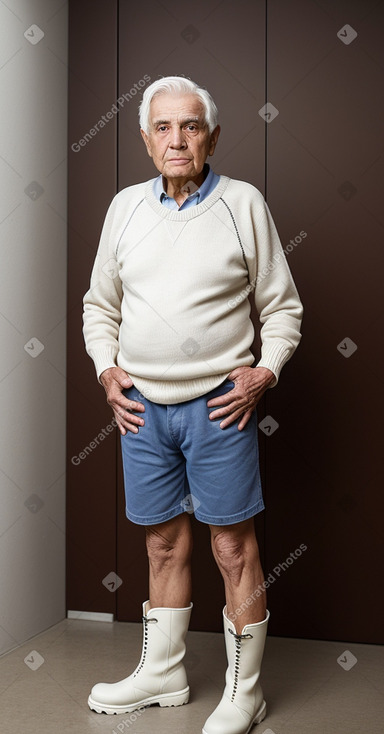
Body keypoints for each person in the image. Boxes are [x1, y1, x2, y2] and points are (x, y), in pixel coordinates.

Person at [82, 75, 303, 734]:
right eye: (162, 127)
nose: (176, 139)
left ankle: (246, 692)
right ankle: (164, 673)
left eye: (189, 126)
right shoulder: (124, 207)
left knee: (233, 549)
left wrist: (264, 372)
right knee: (161, 548)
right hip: (142, 410)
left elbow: (282, 307)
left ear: (209, 135)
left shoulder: (241, 204)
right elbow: (99, 306)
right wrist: (106, 370)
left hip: (218, 407)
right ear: (146, 139)